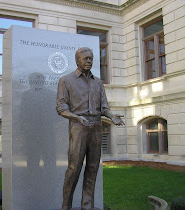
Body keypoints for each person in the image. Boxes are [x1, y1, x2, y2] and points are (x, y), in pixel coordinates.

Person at [56, 47, 124, 210]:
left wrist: (111, 115)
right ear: (77, 60)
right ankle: (66, 206)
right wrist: (76, 117)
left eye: (91, 59)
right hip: (78, 127)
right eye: (85, 58)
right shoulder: (66, 81)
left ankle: (88, 205)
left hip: (96, 127)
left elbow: (104, 106)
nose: (89, 61)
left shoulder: (98, 82)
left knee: (93, 167)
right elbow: (61, 107)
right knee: (74, 168)